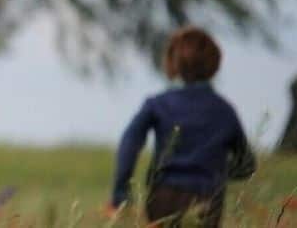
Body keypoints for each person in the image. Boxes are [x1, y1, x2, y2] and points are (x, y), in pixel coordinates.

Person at [109, 26, 256, 227]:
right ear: (214, 64)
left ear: (173, 62)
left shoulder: (157, 104)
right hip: (207, 200)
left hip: (163, 197)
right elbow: (246, 165)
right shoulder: (224, 111)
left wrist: (120, 193)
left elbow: (129, 143)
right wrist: (216, 172)